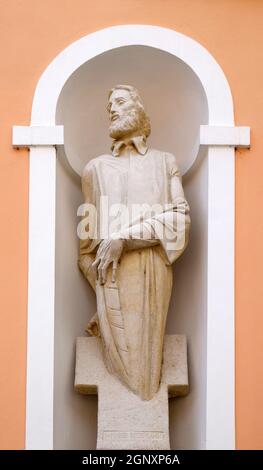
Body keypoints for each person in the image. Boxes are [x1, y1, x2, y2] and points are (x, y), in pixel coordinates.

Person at [78, 85, 190, 400]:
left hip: (151, 272)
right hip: (109, 282)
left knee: (146, 381)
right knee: (121, 371)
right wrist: (101, 295)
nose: (112, 109)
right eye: (108, 104)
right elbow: (85, 252)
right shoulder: (94, 169)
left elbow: (181, 220)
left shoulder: (165, 161)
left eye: (120, 101)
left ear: (138, 108)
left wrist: (124, 240)